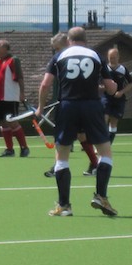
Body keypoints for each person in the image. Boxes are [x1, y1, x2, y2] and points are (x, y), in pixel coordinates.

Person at [36, 26, 119, 217]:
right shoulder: (96, 56)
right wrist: (113, 87)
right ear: (85, 39)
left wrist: (40, 107)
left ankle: (64, 206)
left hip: (67, 106)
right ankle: (101, 196)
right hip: (92, 106)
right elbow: (110, 88)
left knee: (62, 157)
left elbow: (45, 84)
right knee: (105, 153)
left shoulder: (59, 56)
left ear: (68, 40)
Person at [41, 32, 101, 178]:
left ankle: (59, 166)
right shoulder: (88, 56)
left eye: (57, 48)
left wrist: (40, 106)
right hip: (84, 104)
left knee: (63, 138)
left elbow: (45, 84)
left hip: (70, 104)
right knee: (81, 135)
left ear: (67, 44)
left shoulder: (62, 58)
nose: (56, 52)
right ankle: (95, 164)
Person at [0, 39, 29, 157]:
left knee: (12, 122)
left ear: (4, 48)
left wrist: (22, 93)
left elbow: (20, 77)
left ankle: (24, 147)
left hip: (10, 97)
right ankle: (9, 149)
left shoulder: (13, 60)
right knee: (3, 122)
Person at [101, 47, 132, 146]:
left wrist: (121, 92)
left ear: (118, 57)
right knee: (104, 118)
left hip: (119, 99)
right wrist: (104, 88)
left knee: (114, 121)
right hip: (106, 97)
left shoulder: (123, 69)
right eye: (110, 57)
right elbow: (99, 83)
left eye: (114, 57)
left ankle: (109, 143)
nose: (112, 59)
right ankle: (102, 141)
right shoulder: (104, 69)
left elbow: (130, 83)